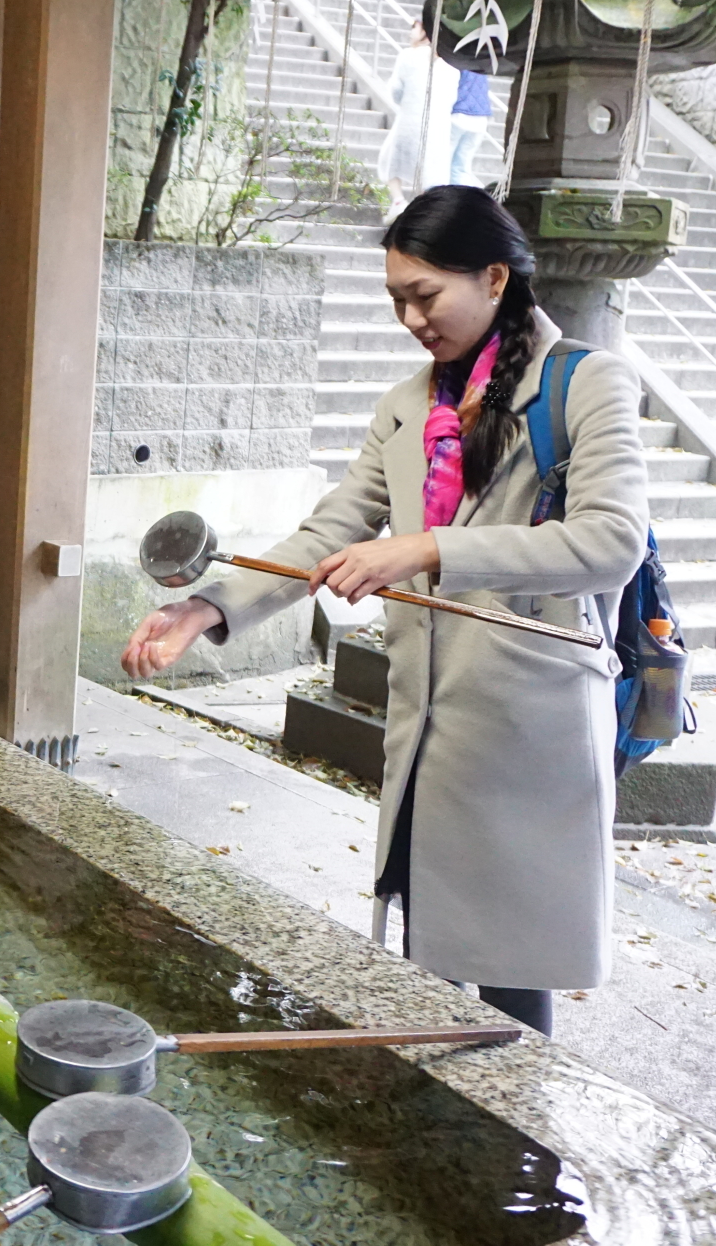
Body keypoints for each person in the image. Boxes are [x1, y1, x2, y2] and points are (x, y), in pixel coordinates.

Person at [119, 186, 649, 1038]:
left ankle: (514, 1155)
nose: (410, 318)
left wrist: (430, 547)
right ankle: (433, 1141)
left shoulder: (587, 384)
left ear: (494, 276)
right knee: (426, 959)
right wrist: (207, 609)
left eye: (425, 296)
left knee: (514, 982)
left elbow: (611, 540)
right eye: (398, 298)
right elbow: (329, 532)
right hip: (429, 735)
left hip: (527, 731)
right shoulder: (407, 406)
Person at [374, 0, 460, 221]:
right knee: (430, 172)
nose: (410, 33)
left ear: (425, 32)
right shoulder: (452, 65)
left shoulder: (408, 57)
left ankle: (399, 201)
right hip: (439, 125)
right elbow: (452, 98)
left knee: (390, 159)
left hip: (410, 121)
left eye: (414, 28)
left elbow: (396, 92)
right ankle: (424, 211)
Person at [449, 67, 491, 186]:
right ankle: (462, 200)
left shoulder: (456, 61)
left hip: (458, 114)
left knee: (442, 163)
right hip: (480, 118)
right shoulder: (481, 63)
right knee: (461, 167)